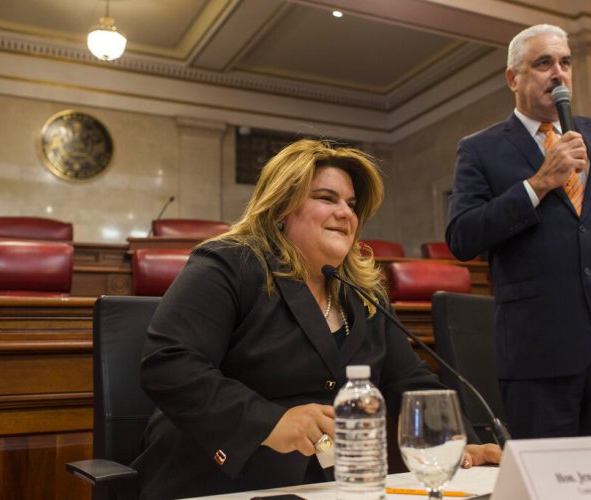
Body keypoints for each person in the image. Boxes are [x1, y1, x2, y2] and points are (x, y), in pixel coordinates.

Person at [132, 139, 501, 499]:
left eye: (352, 204)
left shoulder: (363, 292)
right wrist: (269, 422)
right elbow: (170, 363)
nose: (346, 213)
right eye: (327, 198)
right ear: (281, 207)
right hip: (218, 481)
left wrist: (458, 442)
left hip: (328, 485)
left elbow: (410, 381)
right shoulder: (230, 263)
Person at [446, 25, 591, 439]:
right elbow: (462, 236)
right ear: (513, 78)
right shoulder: (480, 149)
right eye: (544, 63)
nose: (559, 73)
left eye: (565, 62)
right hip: (539, 356)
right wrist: (538, 184)